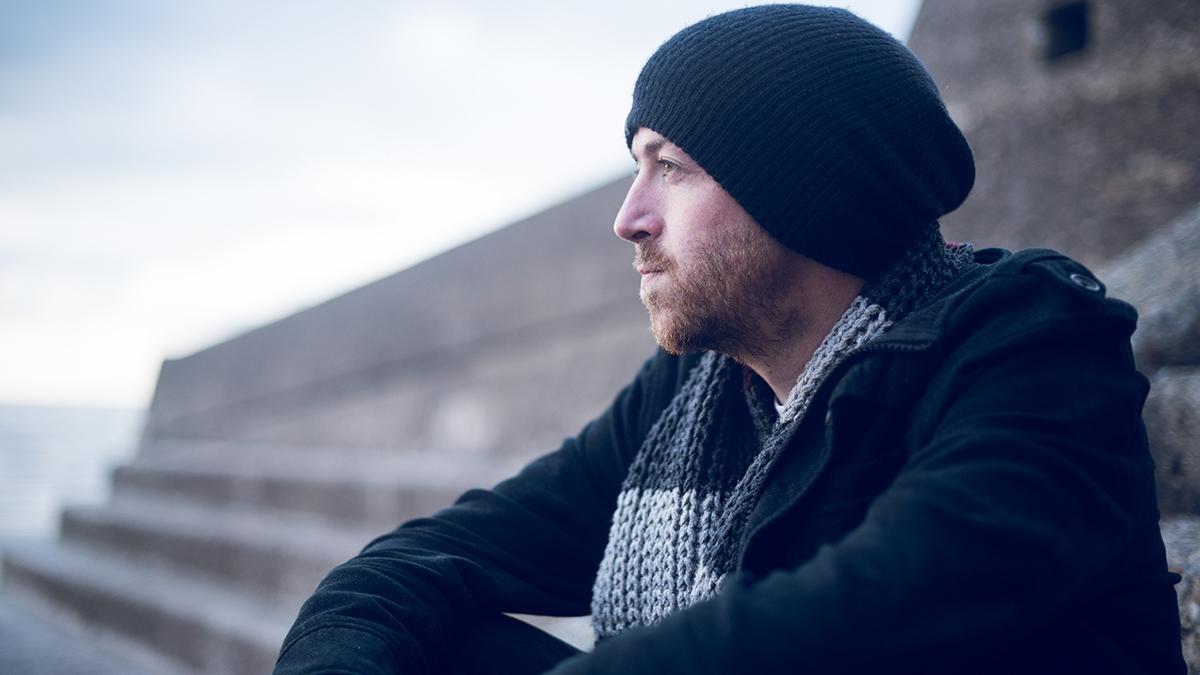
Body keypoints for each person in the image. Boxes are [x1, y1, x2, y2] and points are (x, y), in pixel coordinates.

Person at [274, 5, 1186, 674]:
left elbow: (882, 607)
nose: (630, 218)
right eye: (638, 168)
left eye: (671, 167)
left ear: (805, 192)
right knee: (431, 644)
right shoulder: (694, 392)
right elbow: (415, 566)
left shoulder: (1030, 344)